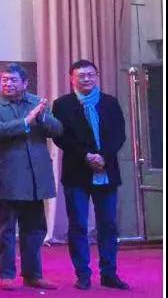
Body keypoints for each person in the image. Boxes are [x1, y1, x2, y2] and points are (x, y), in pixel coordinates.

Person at [0, 63, 62, 291]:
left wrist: (42, 118)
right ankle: (6, 275)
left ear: (25, 83)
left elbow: (57, 130)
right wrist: (26, 122)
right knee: (6, 229)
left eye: (13, 80)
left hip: (35, 177)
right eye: (4, 80)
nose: (8, 84)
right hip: (6, 177)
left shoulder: (38, 103)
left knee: (35, 229)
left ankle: (33, 274)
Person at [52, 59, 129, 290]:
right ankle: (83, 274)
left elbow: (119, 135)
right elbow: (61, 137)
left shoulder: (110, 102)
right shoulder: (62, 105)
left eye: (90, 75)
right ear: (71, 79)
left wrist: (103, 157)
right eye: (81, 75)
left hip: (106, 170)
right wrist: (86, 155)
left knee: (108, 225)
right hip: (77, 171)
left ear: (96, 76)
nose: (86, 79)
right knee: (78, 225)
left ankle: (109, 273)